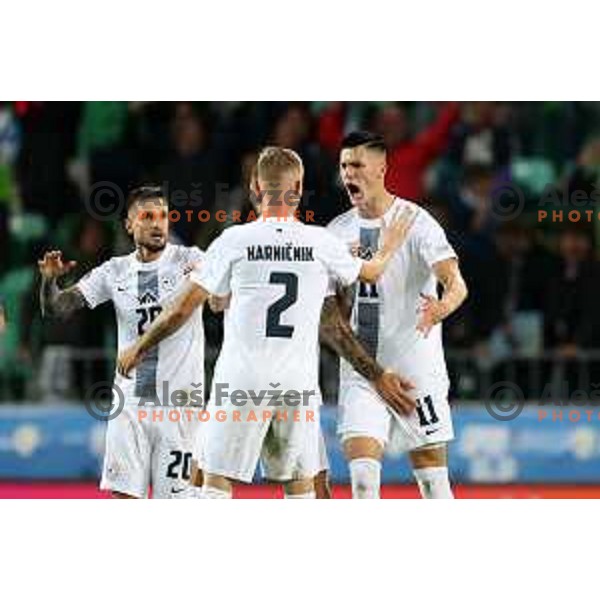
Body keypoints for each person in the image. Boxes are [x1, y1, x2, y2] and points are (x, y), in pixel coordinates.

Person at [117, 146, 417, 499]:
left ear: (255, 188)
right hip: (297, 383)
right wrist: (390, 245)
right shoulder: (321, 241)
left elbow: (182, 309)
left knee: (214, 481)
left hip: (242, 380)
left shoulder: (234, 240)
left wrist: (140, 345)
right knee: (300, 485)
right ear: (299, 188)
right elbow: (372, 272)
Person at [38, 185, 205, 499]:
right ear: (129, 224)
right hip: (130, 406)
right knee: (125, 501)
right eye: (147, 216)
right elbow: (56, 308)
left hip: (180, 405)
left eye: (164, 216)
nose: (158, 224)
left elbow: (209, 301)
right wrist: (49, 281)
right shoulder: (114, 271)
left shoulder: (191, 260)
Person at [329, 131, 468, 499]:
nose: (348, 174)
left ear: (381, 168)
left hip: (415, 370)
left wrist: (441, 307)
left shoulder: (417, 222)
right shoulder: (337, 232)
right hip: (364, 373)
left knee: (434, 486)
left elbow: (456, 284)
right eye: (344, 166)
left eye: (357, 165)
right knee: (362, 483)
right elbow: (334, 311)